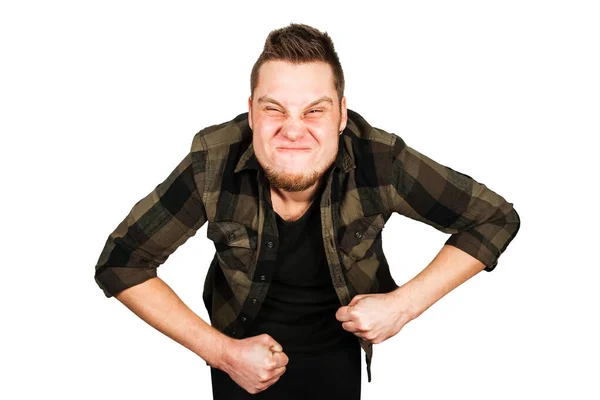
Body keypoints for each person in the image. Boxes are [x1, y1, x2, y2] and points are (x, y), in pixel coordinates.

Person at [94, 23, 521, 399]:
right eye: (273, 109)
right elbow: (122, 261)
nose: (293, 129)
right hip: (236, 360)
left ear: (340, 115)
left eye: (314, 110)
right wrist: (222, 354)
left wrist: (402, 305)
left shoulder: (380, 159)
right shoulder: (213, 160)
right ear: (251, 112)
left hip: (336, 359)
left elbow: (494, 218)